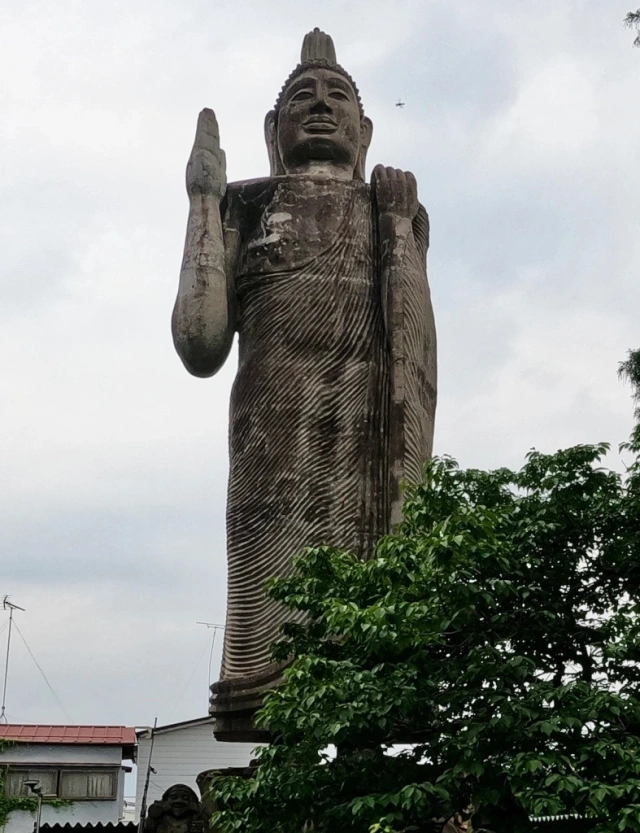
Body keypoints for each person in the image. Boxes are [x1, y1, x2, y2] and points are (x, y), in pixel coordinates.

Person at [172, 29, 436, 737]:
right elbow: (199, 343)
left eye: (337, 96)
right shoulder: (245, 206)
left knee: (377, 648)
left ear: (365, 128)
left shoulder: (393, 209)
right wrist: (203, 201)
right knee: (267, 649)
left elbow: (414, 354)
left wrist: (397, 227)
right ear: (272, 129)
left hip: (368, 448)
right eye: (302, 97)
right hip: (272, 450)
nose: (320, 106)